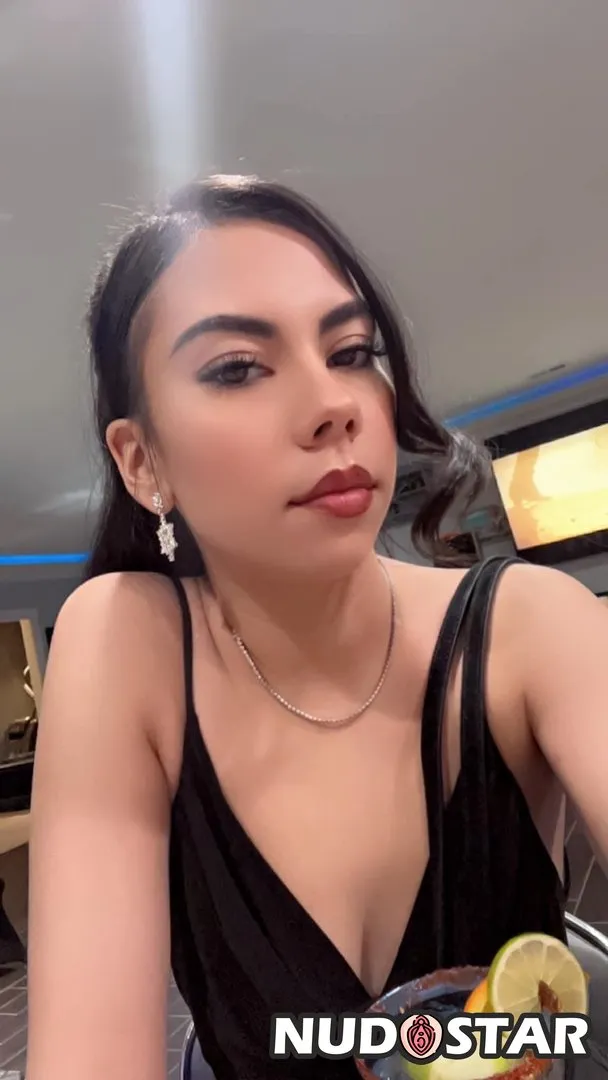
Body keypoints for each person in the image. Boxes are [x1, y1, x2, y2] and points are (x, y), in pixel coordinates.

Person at [27, 175, 608, 1080]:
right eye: (237, 368)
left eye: (351, 351)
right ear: (142, 464)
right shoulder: (127, 644)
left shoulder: (532, 625)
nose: (334, 403)